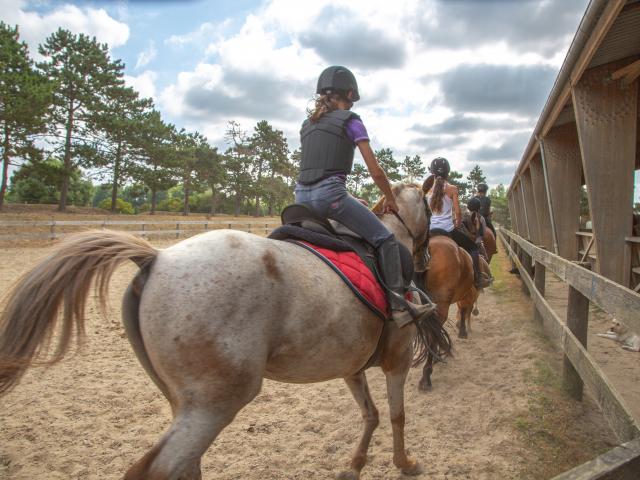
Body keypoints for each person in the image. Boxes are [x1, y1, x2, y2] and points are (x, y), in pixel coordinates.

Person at [294, 65, 434, 327]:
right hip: (330, 198)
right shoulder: (351, 120)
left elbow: (319, 168)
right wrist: (390, 200)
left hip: (301, 198)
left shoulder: (306, 125)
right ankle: (399, 306)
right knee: (386, 239)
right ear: (349, 94)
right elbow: (377, 172)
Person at [423, 157, 491, 289]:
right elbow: (458, 212)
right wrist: (457, 224)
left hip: (431, 231)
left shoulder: (427, 190)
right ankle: (478, 278)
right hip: (448, 230)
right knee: (472, 248)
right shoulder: (452, 189)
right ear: (448, 172)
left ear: (432, 172)